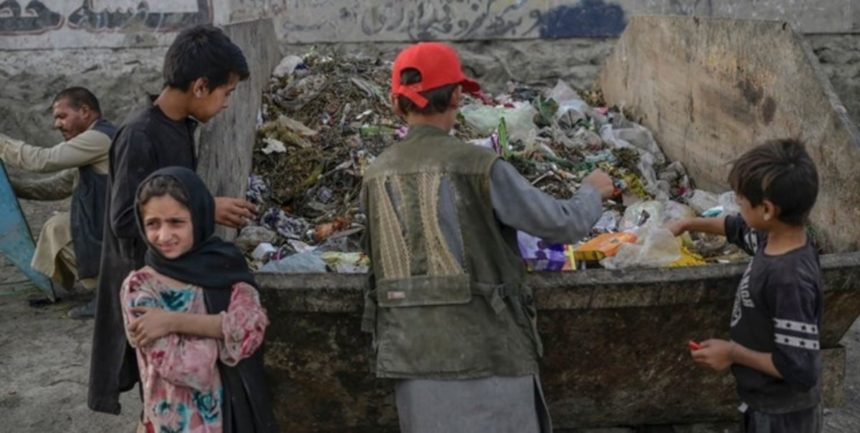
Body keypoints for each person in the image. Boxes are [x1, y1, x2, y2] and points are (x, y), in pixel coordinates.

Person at [360, 42, 614, 433]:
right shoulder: (478, 166)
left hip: (411, 356)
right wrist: (592, 192)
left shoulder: (376, 174)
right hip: (487, 356)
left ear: (396, 104)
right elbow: (561, 224)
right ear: (458, 97)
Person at [89, 24, 257, 415]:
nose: (227, 104)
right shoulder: (140, 135)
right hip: (146, 280)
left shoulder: (181, 127)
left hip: (172, 274)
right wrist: (205, 208)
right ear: (200, 86)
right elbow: (123, 220)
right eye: (226, 93)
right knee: (164, 388)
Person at [668, 139, 822, 433]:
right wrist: (686, 225)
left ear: (766, 209)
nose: (738, 207)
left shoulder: (789, 279)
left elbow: (800, 369)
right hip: (762, 402)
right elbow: (734, 227)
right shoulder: (772, 237)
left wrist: (732, 353)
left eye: (740, 201)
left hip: (784, 416)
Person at [121, 167, 278, 433]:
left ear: (200, 217)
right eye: (153, 224)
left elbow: (252, 330)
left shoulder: (225, 265)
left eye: (176, 222)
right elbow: (189, 367)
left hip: (231, 415)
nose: (163, 235)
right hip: (174, 423)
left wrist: (173, 321)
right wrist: (227, 331)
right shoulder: (140, 287)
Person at [0, 87, 116, 318]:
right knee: (58, 225)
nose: (57, 125)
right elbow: (55, 187)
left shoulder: (98, 138)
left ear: (84, 111)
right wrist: (8, 188)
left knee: (60, 229)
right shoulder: (92, 143)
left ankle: (108, 294)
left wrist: (2, 144)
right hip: (106, 221)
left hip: (113, 229)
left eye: (62, 116)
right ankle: (64, 288)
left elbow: (43, 160)